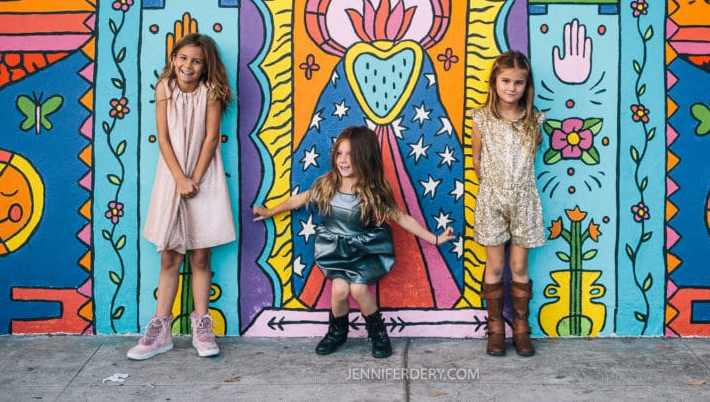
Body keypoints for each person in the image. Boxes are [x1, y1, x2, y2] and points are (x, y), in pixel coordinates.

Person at [253, 125, 454, 358]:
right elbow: (299, 199)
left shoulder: (373, 191)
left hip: (365, 250)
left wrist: (435, 238)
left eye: (351, 154)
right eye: (339, 153)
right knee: (338, 291)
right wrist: (271, 212)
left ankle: (378, 333)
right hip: (336, 249)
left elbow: (401, 217)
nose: (343, 160)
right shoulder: (327, 184)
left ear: (365, 157)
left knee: (358, 289)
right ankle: (337, 333)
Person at [128, 33, 236, 360]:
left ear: (206, 68)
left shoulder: (210, 93)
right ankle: (160, 330)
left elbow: (211, 138)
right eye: (183, 58)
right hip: (173, 176)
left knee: (201, 255)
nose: (187, 65)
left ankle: (202, 327)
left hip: (203, 177)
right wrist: (179, 178)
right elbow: (163, 139)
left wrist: (195, 179)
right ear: (174, 58)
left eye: (196, 61)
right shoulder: (164, 89)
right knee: (170, 254)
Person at [471, 50, 545, 357]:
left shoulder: (533, 121)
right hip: (492, 199)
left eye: (518, 82)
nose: (511, 87)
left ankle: (521, 329)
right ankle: (496, 328)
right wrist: (493, 186)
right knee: (495, 264)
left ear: (526, 86)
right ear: (494, 82)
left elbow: (531, 159)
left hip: (525, 200)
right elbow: (476, 159)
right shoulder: (482, 119)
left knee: (518, 265)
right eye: (505, 81)